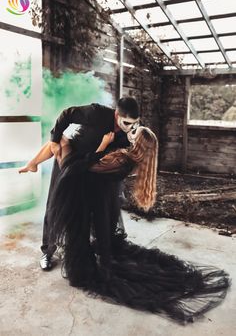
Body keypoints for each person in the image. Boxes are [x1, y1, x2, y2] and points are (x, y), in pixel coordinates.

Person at [47, 126, 230, 324]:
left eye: (135, 132)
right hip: (96, 196)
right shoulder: (130, 160)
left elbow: (81, 169)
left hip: (84, 193)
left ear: (138, 143)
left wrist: (82, 147)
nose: (131, 132)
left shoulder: (121, 158)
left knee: (84, 251)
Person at [19, 97, 140, 270]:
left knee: (102, 210)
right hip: (73, 165)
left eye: (134, 123)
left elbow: (124, 156)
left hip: (96, 171)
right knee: (57, 207)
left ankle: (101, 249)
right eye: (127, 122)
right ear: (116, 114)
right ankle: (48, 251)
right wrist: (54, 140)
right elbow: (66, 114)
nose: (130, 127)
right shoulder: (96, 113)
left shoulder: (129, 133)